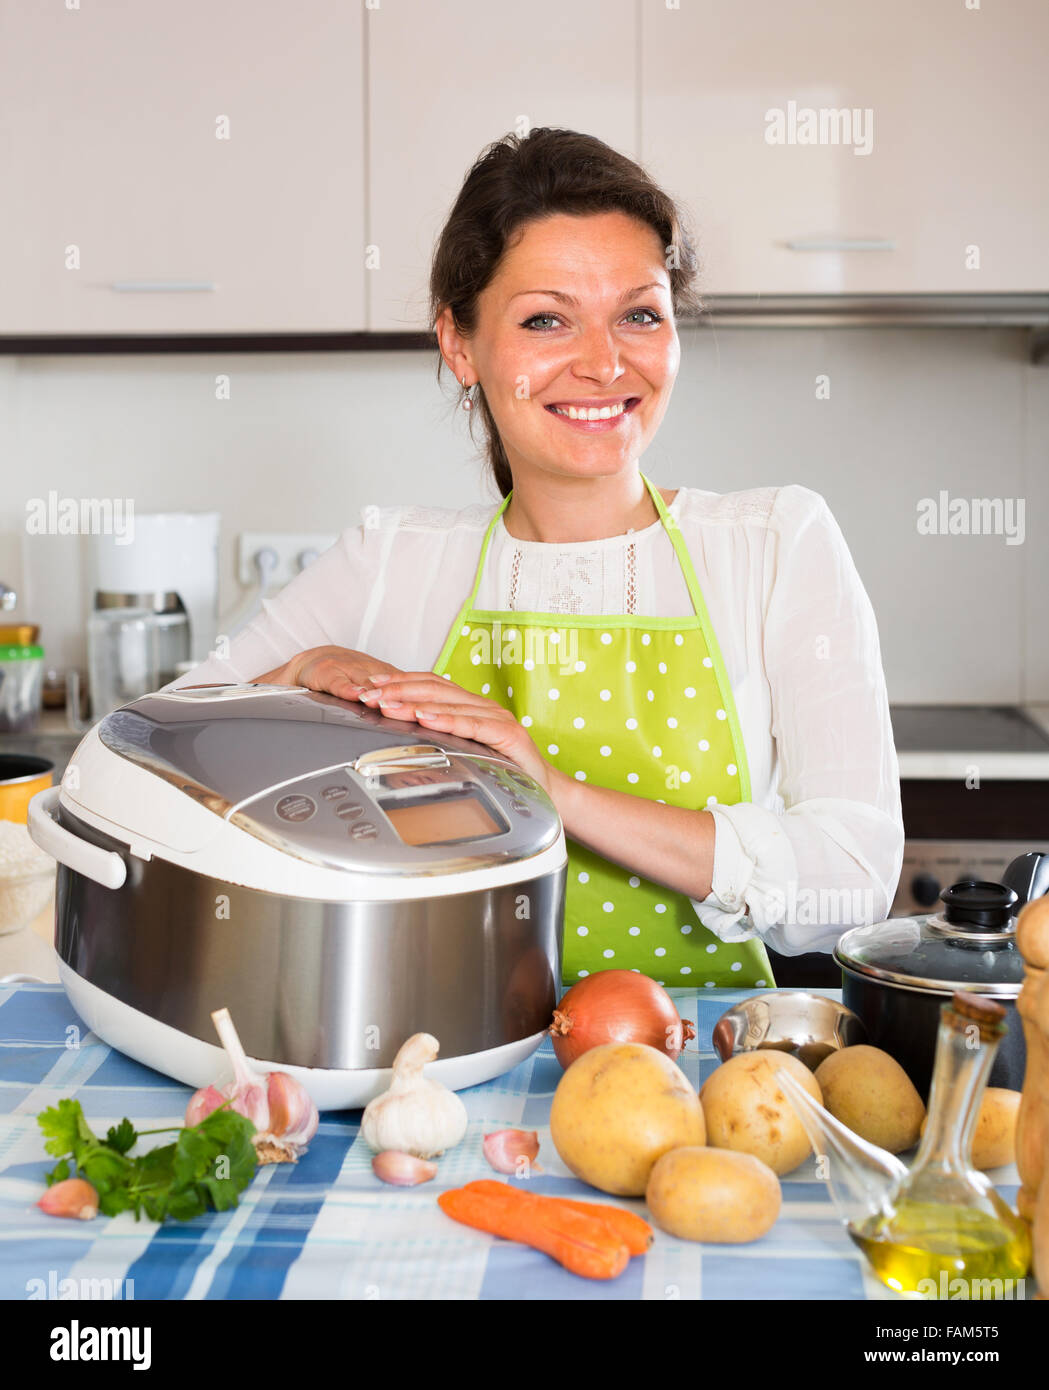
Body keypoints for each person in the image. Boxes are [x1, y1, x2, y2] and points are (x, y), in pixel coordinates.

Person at [171, 127, 904, 988]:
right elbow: (158, 757)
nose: (602, 362)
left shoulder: (774, 544)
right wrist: (294, 671)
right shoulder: (391, 560)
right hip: (437, 1071)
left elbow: (852, 881)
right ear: (460, 345)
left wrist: (552, 790)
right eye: (546, 319)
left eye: (638, 313)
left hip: (697, 1083)